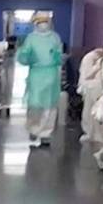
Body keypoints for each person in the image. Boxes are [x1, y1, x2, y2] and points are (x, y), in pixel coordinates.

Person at [17, 15, 63, 146]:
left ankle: (46, 133)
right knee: (35, 104)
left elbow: (59, 54)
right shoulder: (31, 38)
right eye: (40, 22)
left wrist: (56, 57)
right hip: (36, 74)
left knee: (50, 105)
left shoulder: (54, 37)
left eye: (45, 22)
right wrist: (26, 57)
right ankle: (33, 129)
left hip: (51, 73)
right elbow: (23, 56)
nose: (43, 24)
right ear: (36, 24)